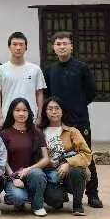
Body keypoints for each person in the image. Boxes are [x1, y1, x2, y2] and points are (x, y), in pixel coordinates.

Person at [43, 31, 103, 209]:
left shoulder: (82, 68)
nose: (61, 46)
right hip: (57, 122)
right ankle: (59, 191)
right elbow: (47, 96)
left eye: (65, 43)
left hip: (79, 121)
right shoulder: (50, 70)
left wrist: (77, 105)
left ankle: (92, 193)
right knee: (56, 155)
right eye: (58, 44)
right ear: (53, 47)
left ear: (71, 46)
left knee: (86, 155)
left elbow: (91, 92)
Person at [39, 96, 93, 216]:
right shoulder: (39, 131)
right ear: (45, 112)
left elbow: (86, 154)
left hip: (69, 172)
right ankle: (60, 195)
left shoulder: (72, 131)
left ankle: (77, 205)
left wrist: (68, 163)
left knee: (78, 171)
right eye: (50, 109)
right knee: (54, 200)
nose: (54, 112)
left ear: (62, 111)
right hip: (50, 174)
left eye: (57, 108)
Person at [0, 97, 50, 217]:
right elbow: (3, 160)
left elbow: (46, 159)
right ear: (12, 112)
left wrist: (28, 169)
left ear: (29, 112)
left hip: (33, 175)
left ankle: (38, 206)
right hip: (13, 176)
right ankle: (17, 197)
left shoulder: (37, 132)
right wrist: (13, 177)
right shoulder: (4, 133)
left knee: (37, 174)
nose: (21, 113)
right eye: (17, 110)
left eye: (24, 110)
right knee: (18, 198)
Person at [0, 32, 46, 127]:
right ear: (9, 47)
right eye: (15, 44)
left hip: (31, 117)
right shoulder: (0, 70)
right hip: (8, 117)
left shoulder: (35, 69)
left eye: (21, 44)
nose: (18, 48)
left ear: (26, 47)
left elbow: (39, 94)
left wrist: (39, 116)